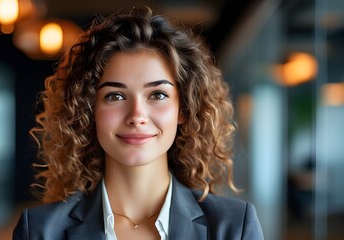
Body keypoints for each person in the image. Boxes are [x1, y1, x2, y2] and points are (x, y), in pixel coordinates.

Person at [13, 6, 264, 240]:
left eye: (157, 95)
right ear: (88, 110)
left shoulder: (234, 227)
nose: (136, 115)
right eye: (115, 96)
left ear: (184, 109)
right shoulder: (39, 230)